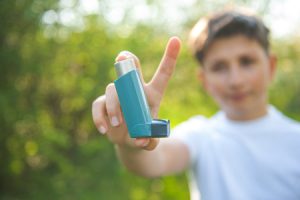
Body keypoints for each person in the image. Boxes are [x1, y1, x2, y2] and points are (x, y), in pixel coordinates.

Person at [92, 7, 300, 200]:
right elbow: (153, 161)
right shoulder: (201, 135)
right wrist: (133, 139)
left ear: (271, 66)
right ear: (204, 80)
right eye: (219, 67)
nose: (236, 80)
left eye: (246, 62)